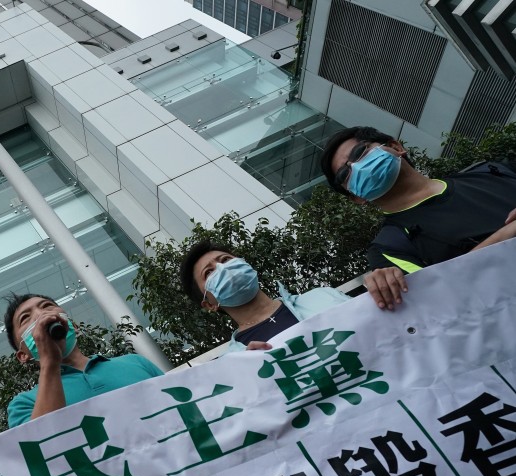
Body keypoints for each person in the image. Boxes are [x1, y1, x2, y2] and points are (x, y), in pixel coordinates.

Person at [0, 293, 164, 463]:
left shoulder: (135, 363)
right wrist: (50, 362)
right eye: (25, 318)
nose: (41, 315)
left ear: (73, 325)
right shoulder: (24, 404)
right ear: (23, 355)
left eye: (47, 306)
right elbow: (44, 453)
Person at [322, 126, 516, 310]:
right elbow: (442, 301)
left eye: (359, 153)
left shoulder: (490, 172)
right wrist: (508, 233)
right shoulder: (389, 249)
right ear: (356, 197)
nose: (356, 168)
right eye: (344, 174)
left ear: (396, 147)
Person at [179, 240, 350, 352]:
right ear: (209, 304)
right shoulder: (235, 362)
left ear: (244, 264)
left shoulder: (324, 297)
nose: (223, 268)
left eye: (225, 260)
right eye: (209, 272)